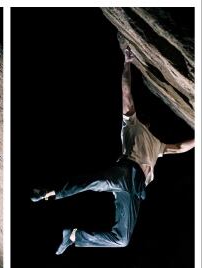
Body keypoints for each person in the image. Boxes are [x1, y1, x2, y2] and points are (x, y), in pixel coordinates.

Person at [31, 46, 195, 254]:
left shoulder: (157, 144)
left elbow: (181, 147)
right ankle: (47, 193)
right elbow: (126, 93)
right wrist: (127, 63)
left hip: (132, 192)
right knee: (90, 182)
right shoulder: (131, 123)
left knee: (122, 240)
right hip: (125, 174)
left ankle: (73, 236)